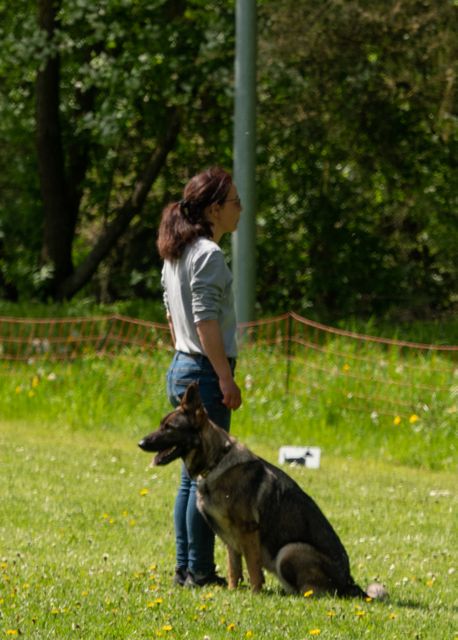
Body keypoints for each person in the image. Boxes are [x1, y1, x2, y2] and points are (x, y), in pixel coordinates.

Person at [156, 166, 242, 588]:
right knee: (205, 477)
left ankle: (185, 568)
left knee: (189, 478)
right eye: (235, 202)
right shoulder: (208, 254)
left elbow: (172, 315)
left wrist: (184, 350)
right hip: (205, 370)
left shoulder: (178, 251)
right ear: (214, 209)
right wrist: (224, 378)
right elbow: (205, 320)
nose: (241, 209)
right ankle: (201, 571)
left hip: (182, 364)